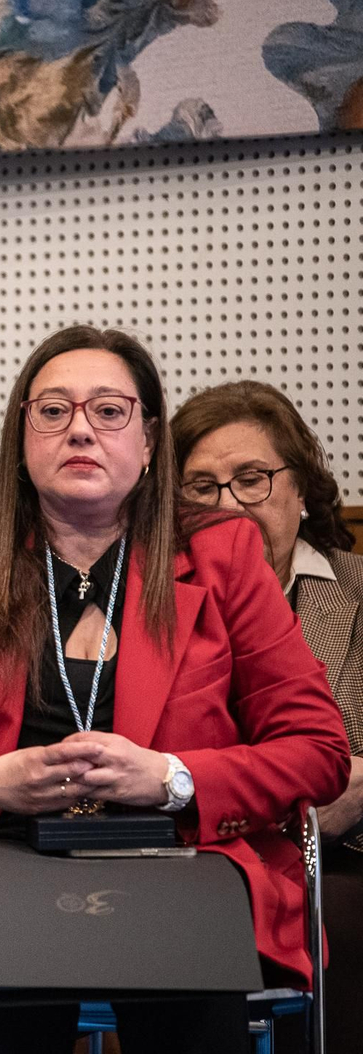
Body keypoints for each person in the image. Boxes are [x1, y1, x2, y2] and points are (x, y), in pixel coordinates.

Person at [0, 326, 351, 1054]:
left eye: (108, 411)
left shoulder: (223, 556)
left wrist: (170, 777)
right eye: (54, 411)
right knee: (10, 959)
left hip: (179, 862)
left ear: (151, 440)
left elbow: (316, 749)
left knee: (179, 955)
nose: (81, 431)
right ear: (22, 434)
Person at [173, 380, 363, 1050]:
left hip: (339, 858)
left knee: (335, 909)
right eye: (201, 487)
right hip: (194, 851)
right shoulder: (150, 604)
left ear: (302, 489)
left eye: (251, 479)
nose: (229, 506)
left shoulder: (359, 594)